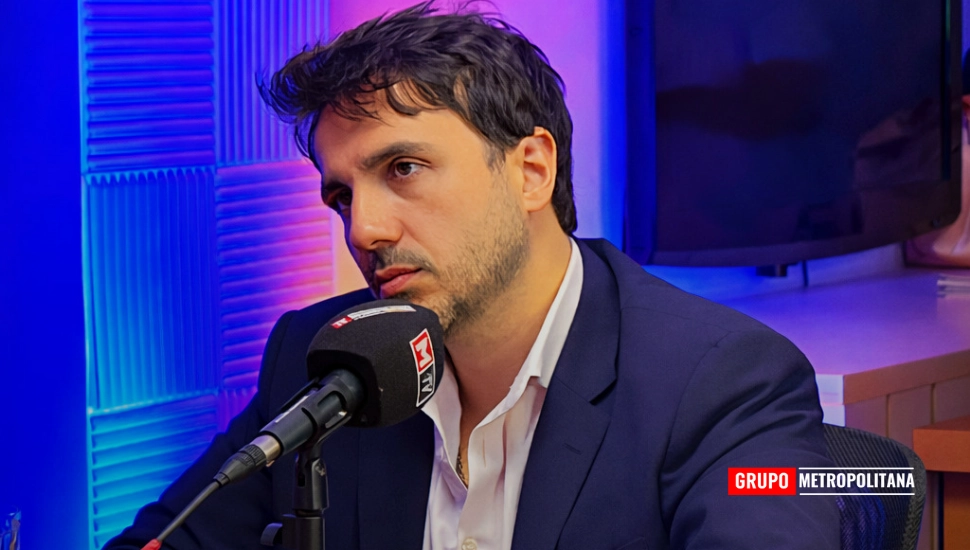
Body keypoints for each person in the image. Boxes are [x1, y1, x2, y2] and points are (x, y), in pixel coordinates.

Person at [106, 3, 839, 549]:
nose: (363, 230)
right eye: (343, 196)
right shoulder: (322, 357)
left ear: (531, 170)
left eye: (403, 168)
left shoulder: (722, 381)